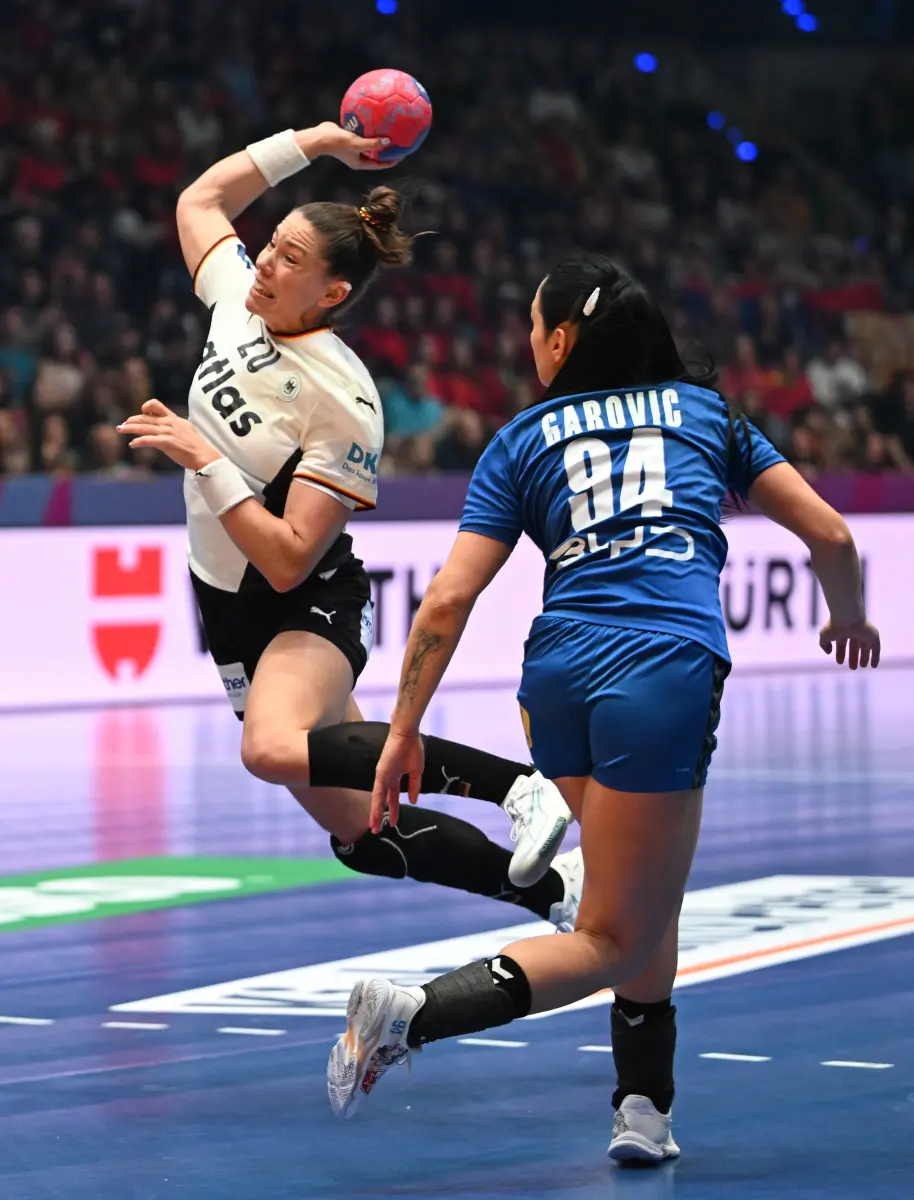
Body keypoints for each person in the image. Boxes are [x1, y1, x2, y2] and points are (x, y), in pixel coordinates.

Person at [326, 254, 881, 1161]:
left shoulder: (522, 438)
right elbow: (831, 534)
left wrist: (402, 731)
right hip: (660, 674)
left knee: (640, 898)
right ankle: (413, 1013)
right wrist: (847, 615)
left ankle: (644, 1109)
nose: (526, 341)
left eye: (532, 326)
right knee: (615, 936)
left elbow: (447, 601)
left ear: (561, 340)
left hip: (554, 679)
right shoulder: (707, 415)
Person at [116, 120, 582, 932]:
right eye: (271, 244)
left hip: (305, 601)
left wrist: (205, 459)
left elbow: (291, 559)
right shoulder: (238, 298)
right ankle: (557, 897)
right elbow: (201, 199)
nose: (265, 261)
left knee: (269, 749)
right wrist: (316, 143)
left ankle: (518, 785)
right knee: (364, 830)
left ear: (331, 294)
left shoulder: (344, 399)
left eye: (290, 259)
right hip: (224, 603)